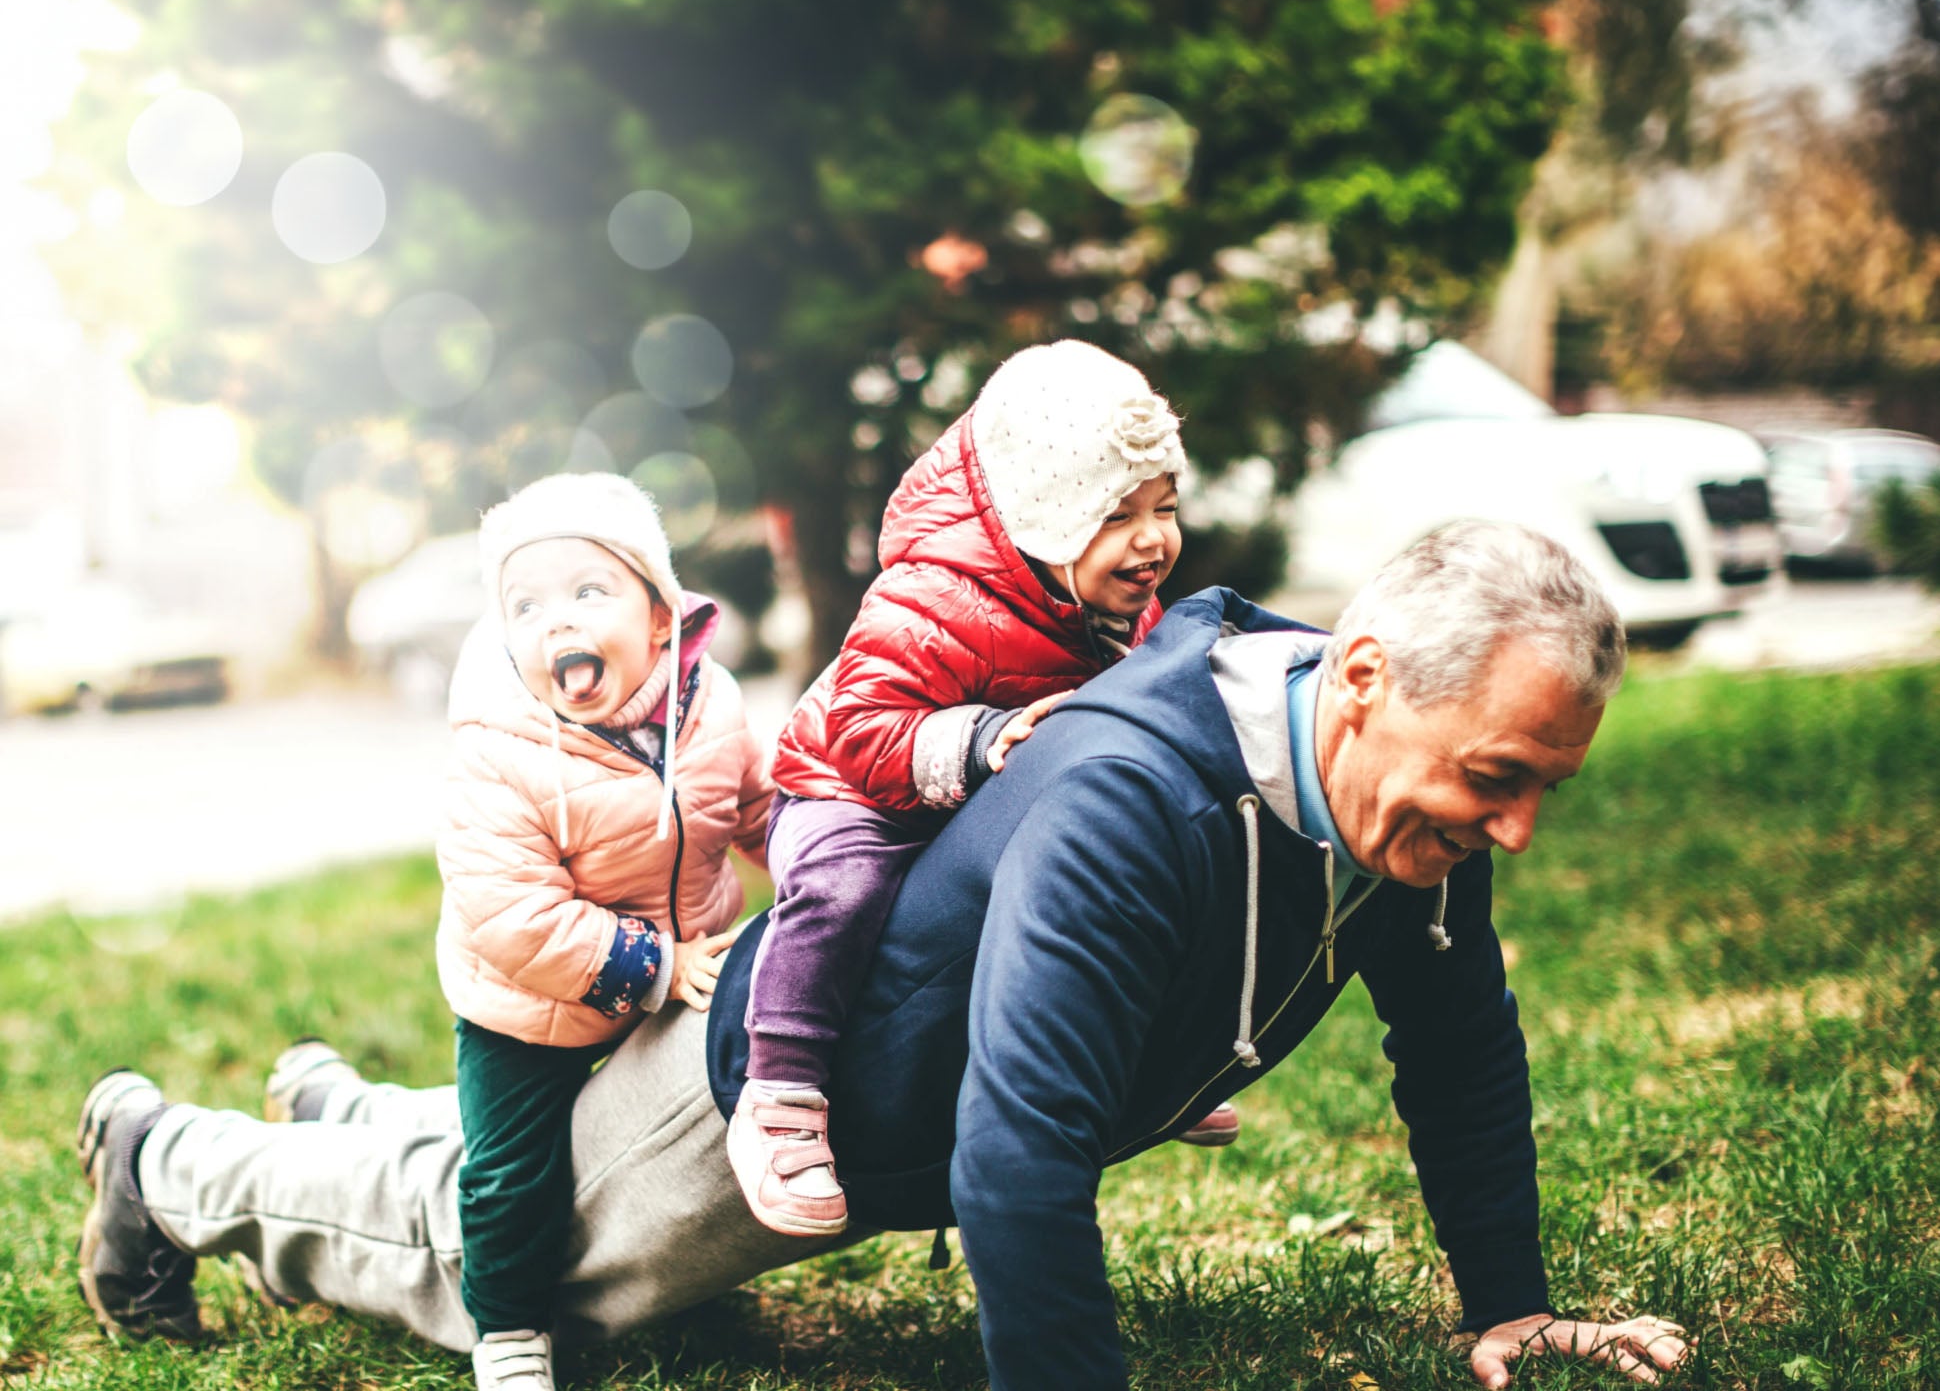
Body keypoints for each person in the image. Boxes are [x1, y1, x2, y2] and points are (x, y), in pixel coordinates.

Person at [76, 519, 1690, 1390]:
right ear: (1360, 681)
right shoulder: (1141, 793)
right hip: (765, 1102)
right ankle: (170, 1160)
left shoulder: (1400, 804)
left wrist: (1512, 1305)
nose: (1518, 831)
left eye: (1544, 786)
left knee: (508, 1176)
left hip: (861, 1116)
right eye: (1498, 779)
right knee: (484, 1263)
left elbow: (1461, 1040)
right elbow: (1020, 1155)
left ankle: (352, 1104)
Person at [734, 338, 1236, 1239]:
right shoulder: (927, 598)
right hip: (854, 787)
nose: (1154, 538)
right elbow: (859, 731)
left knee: (1112, 878)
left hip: (984, 789)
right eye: (1118, 515)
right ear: (1042, 519)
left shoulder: (1112, 605)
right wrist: (976, 739)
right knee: (842, 890)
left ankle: (1138, 1060)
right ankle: (780, 1090)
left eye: (1164, 505)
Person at [378, 473, 771, 1390]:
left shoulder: (710, 708)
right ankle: (510, 1330)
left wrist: (823, 870)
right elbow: (512, 916)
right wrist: (655, 967)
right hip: (532, 1000)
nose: (557, 622)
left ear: (662, 618)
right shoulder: (498, 748)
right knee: (514, 1173)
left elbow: (758, 807)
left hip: (684, 960)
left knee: (689, 1126)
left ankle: (685, 1273)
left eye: (590, 592)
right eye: (525, 604)